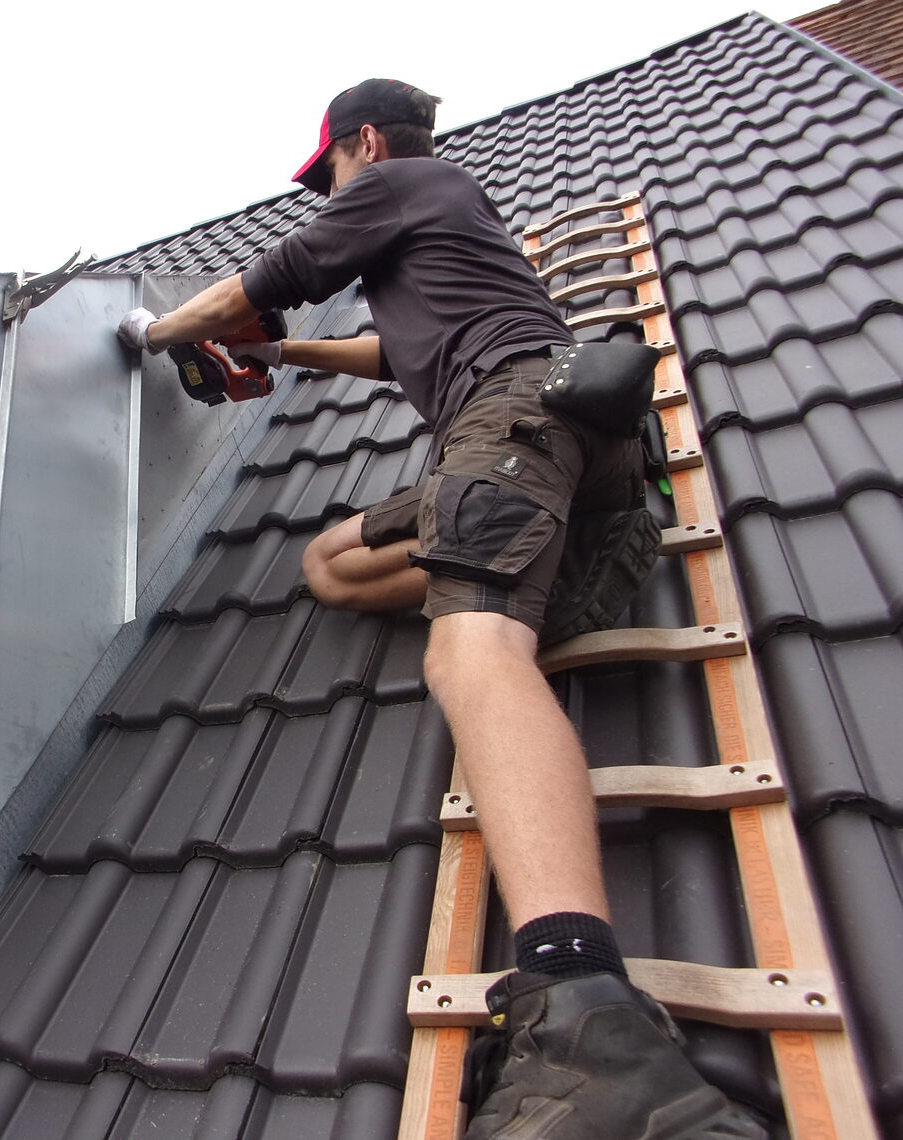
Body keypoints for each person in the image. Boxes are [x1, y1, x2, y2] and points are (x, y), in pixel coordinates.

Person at [117, 79, 767, 1140]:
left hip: (512, 424)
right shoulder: (447, 234)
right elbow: (389, 354)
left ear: (361, 142)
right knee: (330, 562)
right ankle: (548, 561)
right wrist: (282, 356)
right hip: (563, 434)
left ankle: (583, 1011)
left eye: (327, 169)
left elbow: (255, 285)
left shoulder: (397, 179)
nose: (329, 187)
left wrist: (147, 334)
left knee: (469, 659)